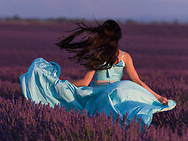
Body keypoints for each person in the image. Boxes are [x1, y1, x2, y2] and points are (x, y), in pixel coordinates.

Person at [20, 20, 176, 132]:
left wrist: (63, 84)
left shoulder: (97, 55)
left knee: (94, 120)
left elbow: (85, 82)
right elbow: (137, 81)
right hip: (120, 89)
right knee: (127, 118)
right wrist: (157, 97)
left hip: (99, 93)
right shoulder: (125, 56)